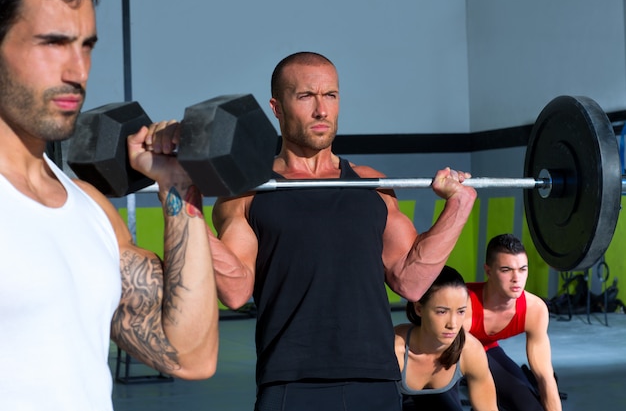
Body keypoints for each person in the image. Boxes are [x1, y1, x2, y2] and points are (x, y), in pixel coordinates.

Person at [209, 51, 478, 411]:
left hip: (376, 378)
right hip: (290, 380)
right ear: (276, 106)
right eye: (306, 96)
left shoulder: (372, 185)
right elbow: (236, 290)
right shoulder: (247, 192)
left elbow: (410, 281)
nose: (322, 110)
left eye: (331, 96)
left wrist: (458, 207)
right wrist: (184, 207)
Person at [0, 0, 219, 410]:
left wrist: (177, 186)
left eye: (87, 45)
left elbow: (191, 356)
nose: (78, 71)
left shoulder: (90, 210)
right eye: (52, 43)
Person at [464, 234, 562, 411]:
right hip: (447, 355)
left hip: (486, 350)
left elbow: (545, 377)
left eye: (522, 269)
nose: (516, 278)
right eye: (506, 270)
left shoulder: (534, 309)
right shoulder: (462, 305)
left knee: (529, 406)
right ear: (488, 271)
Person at [394, 265, 498, 411]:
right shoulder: (395, 349)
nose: (453, 324)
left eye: (461, 312)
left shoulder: (470, 350)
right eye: (442, 312)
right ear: (418, 309)